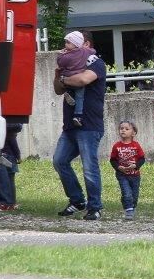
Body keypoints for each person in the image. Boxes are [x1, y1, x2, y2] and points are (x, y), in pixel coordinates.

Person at [52, 30, 107, 221]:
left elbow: (83, 80)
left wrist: (64, 80)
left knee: (89, 167)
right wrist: (61, 75)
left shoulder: (97, 64)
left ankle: (95, 207)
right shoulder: (68, 64)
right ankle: (77, 200)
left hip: (89, 125)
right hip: (70, 126)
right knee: (59, 161)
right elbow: (58, 89)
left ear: (87, 45)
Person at [58, 31, 96, 128]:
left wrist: (61, 54)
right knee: (80, 97)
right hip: (79, 79)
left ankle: (68, 94)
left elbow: (60, 62)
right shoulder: (85, 52)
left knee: (71, 91)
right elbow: (93, 51)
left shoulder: (67, 56)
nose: (65, 45)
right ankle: (78, 115)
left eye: (68, 42)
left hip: (68, 77)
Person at [110, 120, 145, 219]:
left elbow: (142, 159)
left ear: (133, 133)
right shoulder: (117, 146)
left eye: (126, 129)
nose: (123, 131)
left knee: (134, 195)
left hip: (135, 175)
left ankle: (130, 205)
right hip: (122, 175)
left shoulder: (136, 146)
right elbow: (113, 160)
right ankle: (129, 211)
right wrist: (118, 167)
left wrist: (135, 166)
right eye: (121, 128)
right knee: (127, 193)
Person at [0, 123, 22, 211]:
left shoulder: (3, 129)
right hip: (11, 157)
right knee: (10, 180)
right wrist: (18, 156)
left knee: (2, 180)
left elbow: (13, 143)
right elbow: (14, 145)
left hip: (3, 156)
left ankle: (5, 203)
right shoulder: (11, 131)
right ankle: (11, 203)